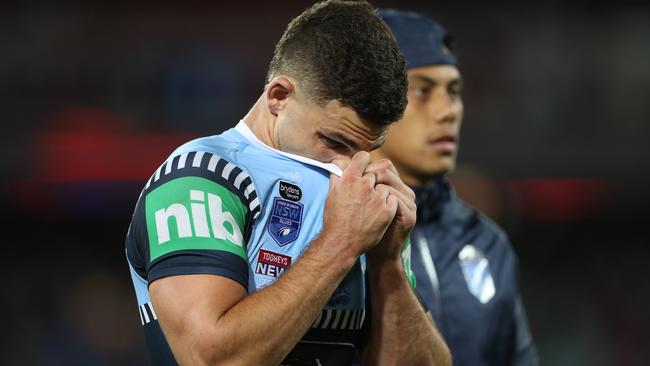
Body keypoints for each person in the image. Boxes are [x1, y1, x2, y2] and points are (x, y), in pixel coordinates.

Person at [125, 2, 450, 365]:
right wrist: (340, 244)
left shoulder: (366, 204)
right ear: (278, 97)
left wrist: (387, 262)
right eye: (335, 143)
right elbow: (212, 359)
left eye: (368, 150)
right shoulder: (198, 180)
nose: (350, 168)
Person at [373, 9, 539, 366]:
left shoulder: (485, 240)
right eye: (422, 90)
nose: (448, 110)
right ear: (371, 98)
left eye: (454, 91)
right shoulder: (326, 227)